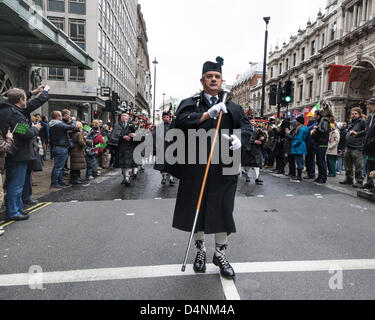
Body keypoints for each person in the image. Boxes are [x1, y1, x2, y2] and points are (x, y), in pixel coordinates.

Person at [168, 60, 251, 279]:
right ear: (202, 80)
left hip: (225, 166)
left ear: (222, 80)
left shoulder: (233, 106)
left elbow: (246, 126)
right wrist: (206, 115)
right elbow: (178, 123)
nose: (213, 79)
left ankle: (220, 254)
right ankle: (200, 250)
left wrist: (240, 139)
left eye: (217, 76)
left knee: (224, 210)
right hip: (196, 165)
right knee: (198, 208)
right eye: (209, 76)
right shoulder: (190, 103)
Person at [0, 88, 47, 221]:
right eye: (25, 99)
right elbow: (26, 133)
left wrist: (34, 92)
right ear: (21, 100)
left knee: (12, 183)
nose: (26, 101)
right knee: (16, 184)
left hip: (10, 152)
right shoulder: (15, 114)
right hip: (18, 152)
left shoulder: (5, 110)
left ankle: (17, 208)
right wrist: (35, 128)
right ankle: (14, 212)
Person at [340, 107, 367, 188]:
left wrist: (357, 133)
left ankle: (359, 181)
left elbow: (366, 131)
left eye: (356, 113)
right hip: (348, 146)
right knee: (347, 164)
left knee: (358, 165)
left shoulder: (362, 121)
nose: (354, 115)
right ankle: (349, 178)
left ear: (359, 114)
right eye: (352, 113)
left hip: (357, 147)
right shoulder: (351, 121)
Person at [49, 111, 76, 189]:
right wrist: (73, 120)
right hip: (61, 148)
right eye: (60, 115)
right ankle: (54, 183)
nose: (61, 117)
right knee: (58, 167)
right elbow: (71, 127)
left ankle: (60, 181)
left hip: (57, 147)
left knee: (60, 167)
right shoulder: (58, 124)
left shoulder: (53, 124)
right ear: (58, 116)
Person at [110, 113, 136, 186]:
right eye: (123, 116)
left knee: (128, 164)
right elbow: (113, 135)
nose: (124, 117)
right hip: (120, 147)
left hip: (129, 147)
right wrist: (122, 137)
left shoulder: (132, 126)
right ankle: (125, 177)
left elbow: (139, 135)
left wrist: (134, 135)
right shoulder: (116, 125)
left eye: (126, 116)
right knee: (122, 164)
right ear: (121, 118)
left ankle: (127, 178)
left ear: (128, 118)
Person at [311, 102, 334, 184]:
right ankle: (320, 176)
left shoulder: (325, 121)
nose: (314, 117)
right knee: (319, 161)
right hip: (318, 142)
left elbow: (324, 131)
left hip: (322, 143)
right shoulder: (320, 121)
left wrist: (316, 129)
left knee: (321, 161)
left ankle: (323, 177)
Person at [153, 112, 176, 185]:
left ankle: (171, 179)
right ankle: (164, 177)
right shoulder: (159, 126)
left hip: (171, 147)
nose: (166, 118)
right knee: (162, 164)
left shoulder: (173, 126)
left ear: (169, 118)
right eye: (164, 117)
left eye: (167, 117)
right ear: (162, 118)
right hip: (161, 147)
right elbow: (154, 137)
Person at [242, 117, 265, 185]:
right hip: (248, 149)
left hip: (256, 150)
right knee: (247, 164)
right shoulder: (245, 129)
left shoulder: (257, 129)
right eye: (252, 121)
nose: (253, 122)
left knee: (257, 164)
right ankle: (247, 175)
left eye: (254, 121)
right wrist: (254, 141)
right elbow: (244, 139)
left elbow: (264, 135)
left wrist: (263, 137)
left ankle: (257, 178)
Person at [360, 98, 375, 191]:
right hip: (370, 147)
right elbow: (368, 131)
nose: (367, 106)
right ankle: (369, 183)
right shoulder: (371, 116)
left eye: (369, 104)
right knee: (369, 165)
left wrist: (371, 141)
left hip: (373, 146)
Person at [291, 116, 309, 181]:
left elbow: (299, 139)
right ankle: (299, 175)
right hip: (301, 145)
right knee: (300, 160)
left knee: (299, 161)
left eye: (297, 121)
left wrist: (294, 144)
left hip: (299, 145)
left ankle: (299, 176)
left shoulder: (301, 129)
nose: (296, 122)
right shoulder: (304, 128)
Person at [304, 113, 317, 180]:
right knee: (307, 160)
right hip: (307, 144)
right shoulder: (308, 124)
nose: (309, 118)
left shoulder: (315, 124)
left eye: (310, 117)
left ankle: (311, 174)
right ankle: (309, 173)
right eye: (308, 117)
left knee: (311, 160)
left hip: (312, 144)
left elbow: (307, 130)